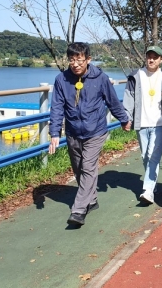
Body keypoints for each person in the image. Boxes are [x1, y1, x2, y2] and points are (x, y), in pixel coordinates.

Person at [48, 42, 130, 227]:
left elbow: (112, 101)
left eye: (79, 60)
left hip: (95, 131)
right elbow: (57, 108)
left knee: (88, 167)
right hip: (73, 131)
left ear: (88, 60)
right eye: (71, 60)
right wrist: (54, 133)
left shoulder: (100, 78)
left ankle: (78, 210)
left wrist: (124, 119)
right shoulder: (61, 80)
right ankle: (91, 200)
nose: (75, 64)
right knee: (78, 168)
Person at [123, 46, 162, 204]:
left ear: (161, 59)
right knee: (145, 156)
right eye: (149, 56)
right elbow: (128, 98)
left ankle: (147, 190)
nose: (151, 60)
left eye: (155, 57)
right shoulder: (135, 76)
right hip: (141, 123)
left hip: (159, 123)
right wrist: (126, 118)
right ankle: (152, 184)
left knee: (153, 155)